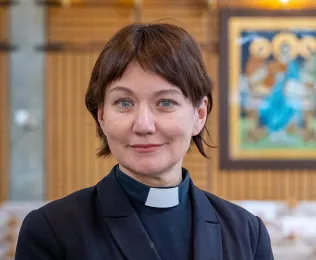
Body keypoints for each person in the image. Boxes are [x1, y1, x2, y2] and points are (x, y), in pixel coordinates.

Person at [15, 23, 274, 260]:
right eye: (124, 103)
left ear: (199, 114)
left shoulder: (247, 233)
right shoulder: (53, 230)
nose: (143, 125)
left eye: (165, 102)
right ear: (102, 115)